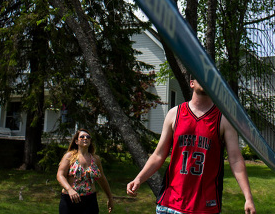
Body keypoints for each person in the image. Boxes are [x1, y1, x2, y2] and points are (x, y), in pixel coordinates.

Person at [126, 76, 256, 214]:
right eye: (201, 75)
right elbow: (159, 155)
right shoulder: (174, 114)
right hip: (169, 206)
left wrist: (248, 197)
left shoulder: (224, 119)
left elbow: (235, 159)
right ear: (191, 83)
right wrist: (139, 179)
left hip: (205, 207)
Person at [57, 128, 115, 214]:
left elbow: (102, 178)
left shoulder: (95, 159)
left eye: (88, 137)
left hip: (89, 201)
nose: (85, 138)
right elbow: (60, 175)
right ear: (76, 141)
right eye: (82, 137)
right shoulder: (69, 156)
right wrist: (69, 189)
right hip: (70, 200)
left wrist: (110, 197)